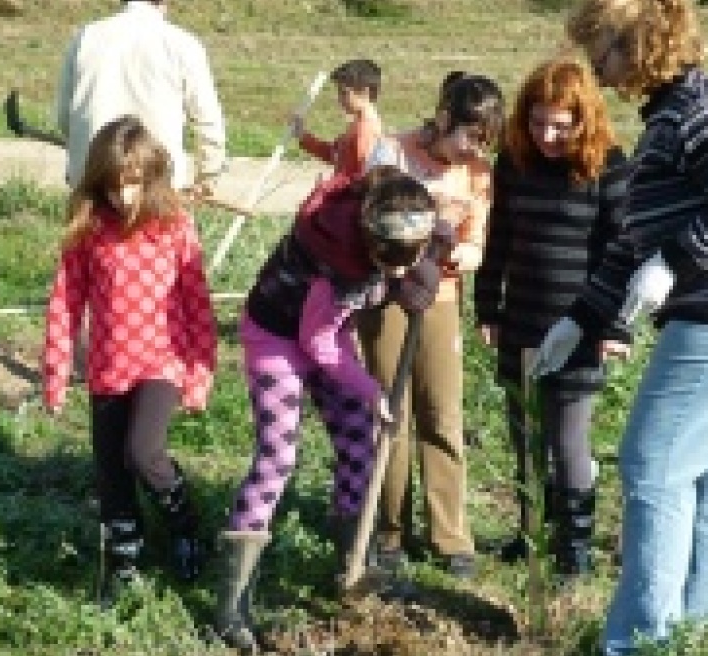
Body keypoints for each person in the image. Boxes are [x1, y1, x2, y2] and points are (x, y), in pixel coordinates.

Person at [530, 0, 708, 650]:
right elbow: (635, 236)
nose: (595, 68)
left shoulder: (697, 112)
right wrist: (582, 315)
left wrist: (673, 264)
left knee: (651, 466)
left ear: (637, 47)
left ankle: (639, 641)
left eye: (600, 50)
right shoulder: (673, 113)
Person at [213, 165, 445, 652]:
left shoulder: (403, 210)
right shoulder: (335, 258)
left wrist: (436, 260)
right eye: (392, 263)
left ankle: (350, 561)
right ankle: (232, 604)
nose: (400, 272)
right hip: (279, 337)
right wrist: (371, 389)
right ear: (369, 244)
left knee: (358, 438)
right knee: (277, 458)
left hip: (327, 334)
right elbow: (317, 343)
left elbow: (437, 238)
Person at [40, 116, 218, 604]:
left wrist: (200, 374)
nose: (124, 197)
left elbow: (197, 303)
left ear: (152, 177)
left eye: (134, 185)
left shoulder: (175, 226)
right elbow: (65, 303)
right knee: (111, 470)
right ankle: (124, 554)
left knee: (143, 452)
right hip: (108, 365)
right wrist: (56, 370)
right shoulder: (91, 229)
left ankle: (184, 523)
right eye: (114, 186)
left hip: (163, 359)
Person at [473, 57, 631, 581]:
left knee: (567, 442)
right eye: (538, 122)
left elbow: (621, 252)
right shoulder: (515, 162)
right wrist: (487, 305)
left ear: (584, 120)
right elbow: (497, 239)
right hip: (520, 318)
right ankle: (531, 530)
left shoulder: (607, 166)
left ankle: (575, 548)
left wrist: (613, 325)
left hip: (579, 325)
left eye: (560, 126)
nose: (547, 136)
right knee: (524, 436)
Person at [358, 72, 505, 578]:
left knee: (441, 413)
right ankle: (390, 530)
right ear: (444, 119)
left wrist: (466, 253)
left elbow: (479, 240)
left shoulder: (478, 175)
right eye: (469, 136)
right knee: (389, 411)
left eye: (483, 142)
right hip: (386, 297)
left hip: (440, 299)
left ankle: (449, 533)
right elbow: (364, 218)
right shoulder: (391, 153)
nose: (472, 151)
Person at [55, 0, 226, 193]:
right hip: (157, 186)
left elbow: (63, 116)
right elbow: (208, 123)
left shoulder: (85, 37)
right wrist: (207, 178)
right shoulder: (183, 44)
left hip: (92, 181)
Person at [291, 58, 384, 180]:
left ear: (365, 92)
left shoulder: (365, 131)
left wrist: (329, 189)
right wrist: (303, 136)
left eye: (344, 93)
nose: (339, 99)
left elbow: (363, 178)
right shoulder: (358, 124)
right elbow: (334, 155)